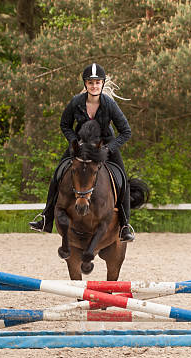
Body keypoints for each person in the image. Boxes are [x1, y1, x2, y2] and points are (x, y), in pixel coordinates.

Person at [29, 63, 135, 242]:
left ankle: (125, 225)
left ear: (102, 84)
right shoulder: (76, 102)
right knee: (58, 173)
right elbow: (65, 124)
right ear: (85, 84)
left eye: (97, 82)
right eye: (91, 83)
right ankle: (46, 217)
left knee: (122, 179)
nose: (94, 86)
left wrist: (108, 148)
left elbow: (126, 132)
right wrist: (73, 142)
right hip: (81, 144)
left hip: (105, 146)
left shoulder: (109, 104)